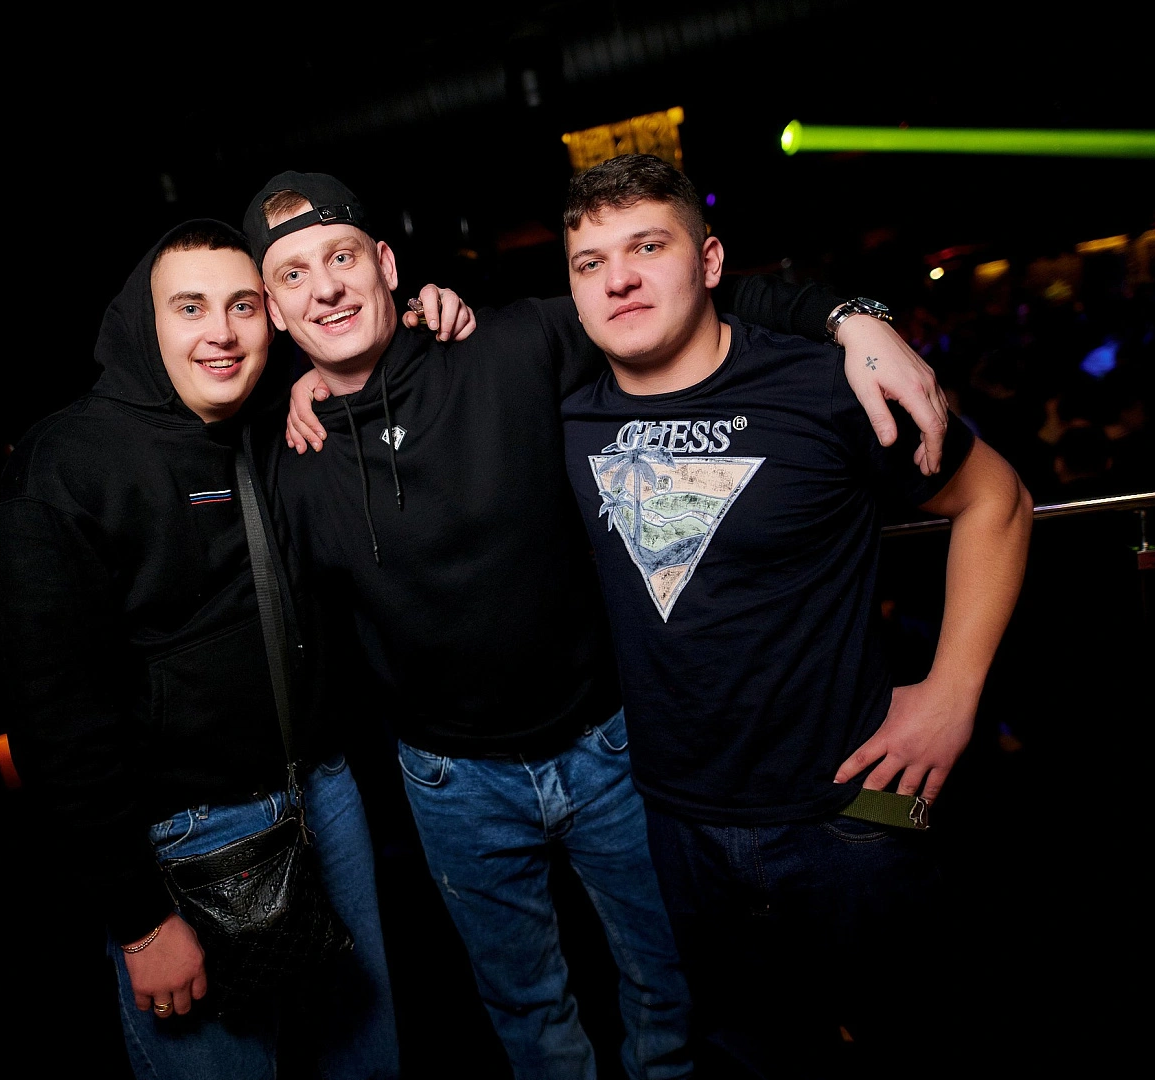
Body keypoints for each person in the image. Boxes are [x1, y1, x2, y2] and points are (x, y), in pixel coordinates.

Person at [242, 168, 955, 1080]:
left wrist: (852, 317)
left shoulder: (512, 343)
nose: (325, 289)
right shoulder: (284, 451)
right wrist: (298, 388)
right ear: (274, 307)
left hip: (614, 748)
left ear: (384, 264)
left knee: (673, 988)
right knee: (526, 1005)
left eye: (341, 258)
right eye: (293, 276)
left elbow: (681, 298)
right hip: (451, 782)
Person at [557, 153, 1034, 1078]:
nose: (619, 278)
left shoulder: (826, 386)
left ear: (709, 261)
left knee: (922, 1034)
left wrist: (953, 692)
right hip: (678, 816)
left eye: (649, 246)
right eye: (591, 261)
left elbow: (998, 501)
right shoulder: (569, 415)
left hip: (862, 799)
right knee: (754, 1053)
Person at [0, 217, 473, 1080]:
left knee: (366, 1061)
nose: (222, 332)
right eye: (190, 307)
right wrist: (139, 921)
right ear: (144, 322)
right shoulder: (64, 470)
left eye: (243, 306)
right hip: (187, 841)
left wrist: (425, 313)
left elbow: (358, 352)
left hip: (322, 795)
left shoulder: (262, 421)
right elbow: (58, 728)